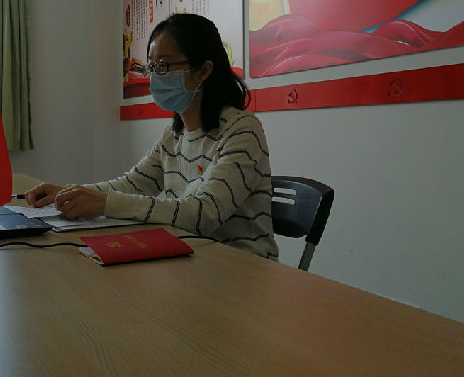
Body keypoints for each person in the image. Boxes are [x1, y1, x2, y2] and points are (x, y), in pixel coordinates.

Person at [26, 13, 279, 259]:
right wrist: (69, 193)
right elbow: (133, 184)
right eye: (152, 66)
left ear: (203, 71)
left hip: (243, 269)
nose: (155, 75)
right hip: (194, 258)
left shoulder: (242, 130)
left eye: (164, 65)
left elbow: (203, 214)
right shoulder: (174, 135)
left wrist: (105, 203)